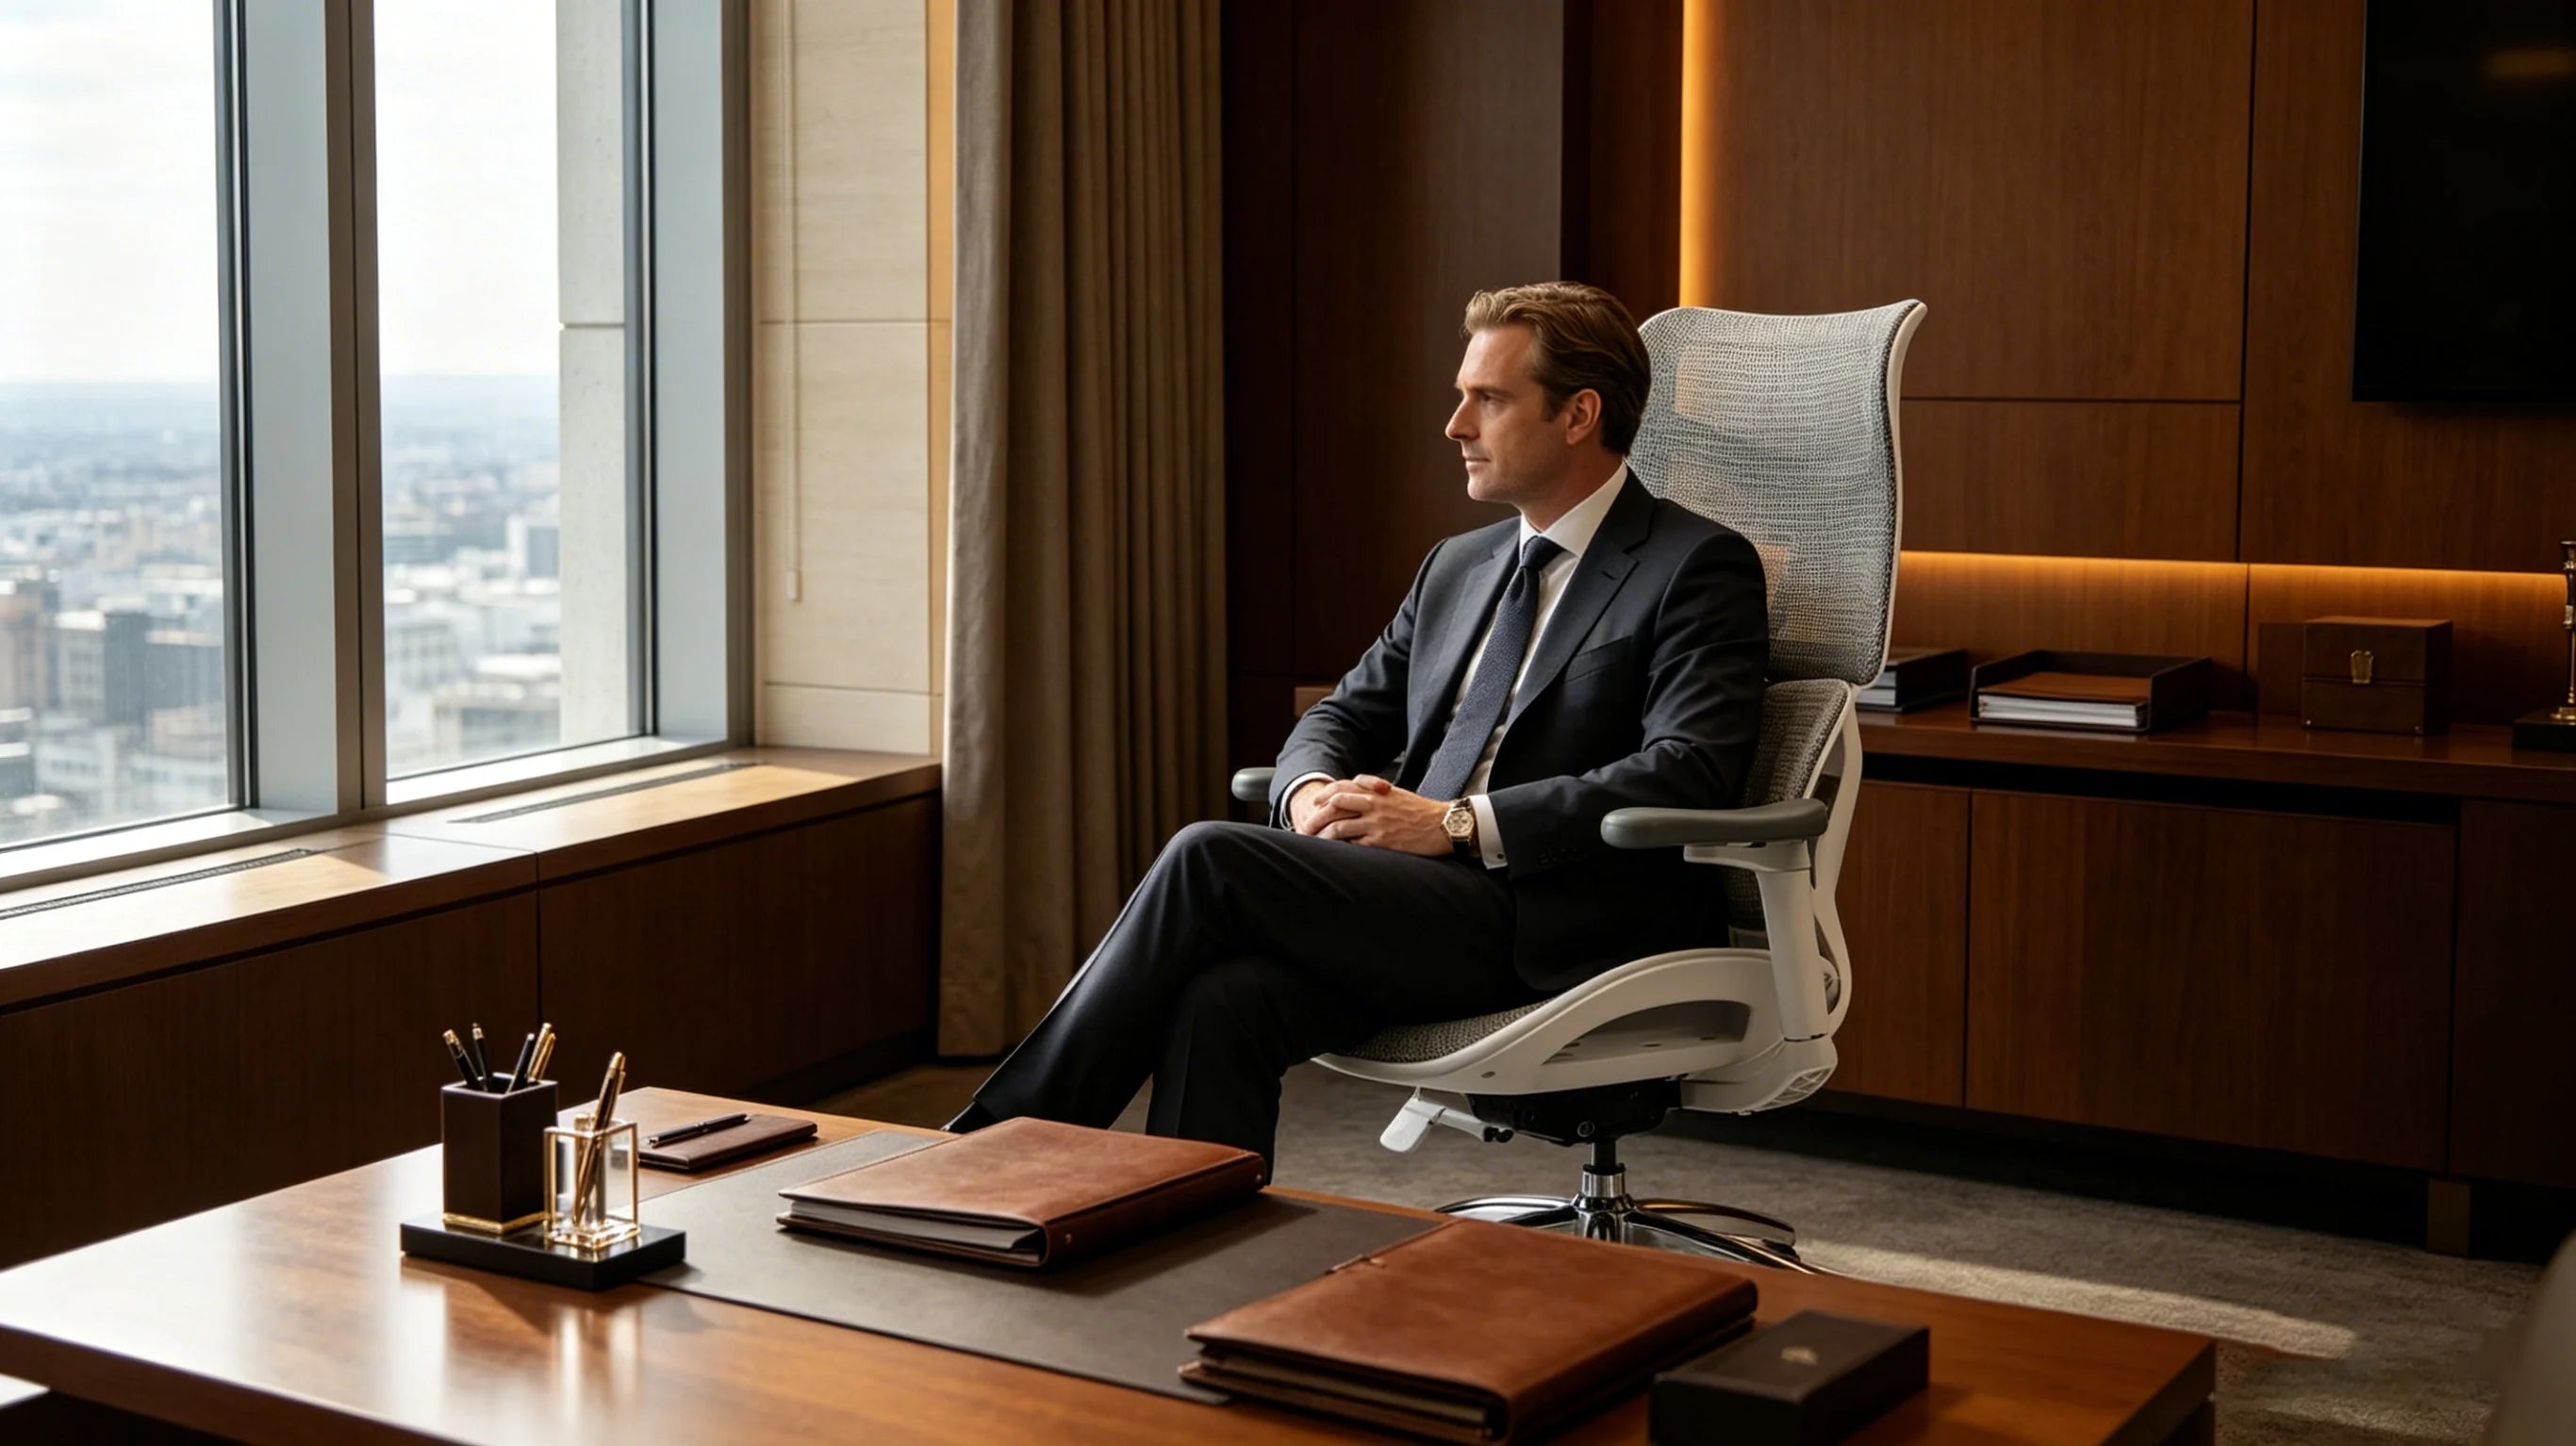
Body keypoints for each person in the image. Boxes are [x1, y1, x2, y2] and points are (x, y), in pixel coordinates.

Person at [948, 281, 1769, 1163]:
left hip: (1557, 920)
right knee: (1224, 1000)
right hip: (1415, 904)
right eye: (1461, 397)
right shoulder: (1458, 567)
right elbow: (1342, 712)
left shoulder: (1694, 564)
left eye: (1488, 400)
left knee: (1208, 855)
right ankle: (1180, 1230)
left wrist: (1457, 824)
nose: (1455, 425)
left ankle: (997, 1152)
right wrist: (1307, 791)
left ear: (1579, 415)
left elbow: (1689, 768)